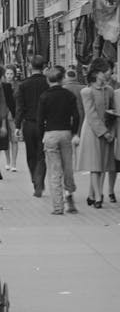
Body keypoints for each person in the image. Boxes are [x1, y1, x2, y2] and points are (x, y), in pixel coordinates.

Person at [37, 65, 81, 215]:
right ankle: (69, 194)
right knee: (68, 167)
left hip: (50, 134)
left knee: (55, 171)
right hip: (66, 133)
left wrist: (42, 134)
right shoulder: (68, 95)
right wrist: (74, 132)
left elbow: (40, 119)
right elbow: (76, 116)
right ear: (62, 79)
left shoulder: (44, 96)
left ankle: (58, 207)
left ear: (48, 81)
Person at [76, 57, 116, 207]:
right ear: (98, 73)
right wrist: (104, 132)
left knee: (103, 164)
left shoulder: (109, 90)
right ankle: (99, 197)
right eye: (106, 70)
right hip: (93, 132)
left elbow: (112, 111)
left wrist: (110, 130)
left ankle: (92, 194)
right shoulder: (87, 91)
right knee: (95, 165)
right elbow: (91, 115)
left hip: (106, 131)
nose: (108, 73)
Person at [15, 55, 50, 197]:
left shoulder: (23, 85)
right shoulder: (47, 84)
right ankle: (40, 180)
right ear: (44, 67)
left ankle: (35, 181)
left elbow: (20, 108)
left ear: (30, 66)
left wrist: (17, 126)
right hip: (45, 124)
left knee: (31, 155)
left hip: (29, 124)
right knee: (42, 154)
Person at [0, 64, 18, 173]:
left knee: (13, 138)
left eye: (11, 73)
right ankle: (8, 162)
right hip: (5, 115)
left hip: (10, 116)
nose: (9, 76)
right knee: (6, 139)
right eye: (7, 73)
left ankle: (13, 163)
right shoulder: (4, 86)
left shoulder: (17, 85)